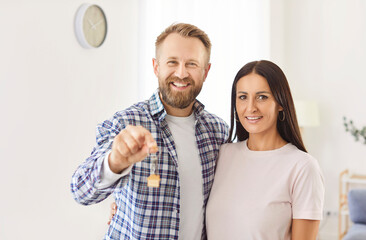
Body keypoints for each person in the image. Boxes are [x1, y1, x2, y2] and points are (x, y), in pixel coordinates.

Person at [70, 23, 229, 240]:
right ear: (156, 67)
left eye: (191, 64)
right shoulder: (125, 123)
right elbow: (80, 191)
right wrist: (115, 162)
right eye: (172, 62)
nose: (181, 73)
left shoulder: (219, 133)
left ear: (206, 71)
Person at [205, 60, 324, 240]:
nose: (251, 107)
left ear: (281, 102)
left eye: (262, 97)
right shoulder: (223, 154)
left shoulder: (303, 167)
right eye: (243, 97)